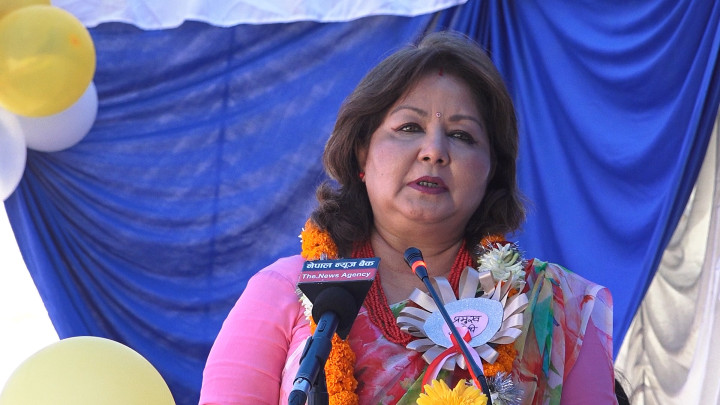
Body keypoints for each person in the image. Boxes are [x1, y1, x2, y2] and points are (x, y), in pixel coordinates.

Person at [199, 31, 618, 405]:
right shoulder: (286, 291)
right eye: (408, 128)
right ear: (361, 154)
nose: (434, 151)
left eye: (461, 135)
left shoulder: (551, 307)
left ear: (492, 171)